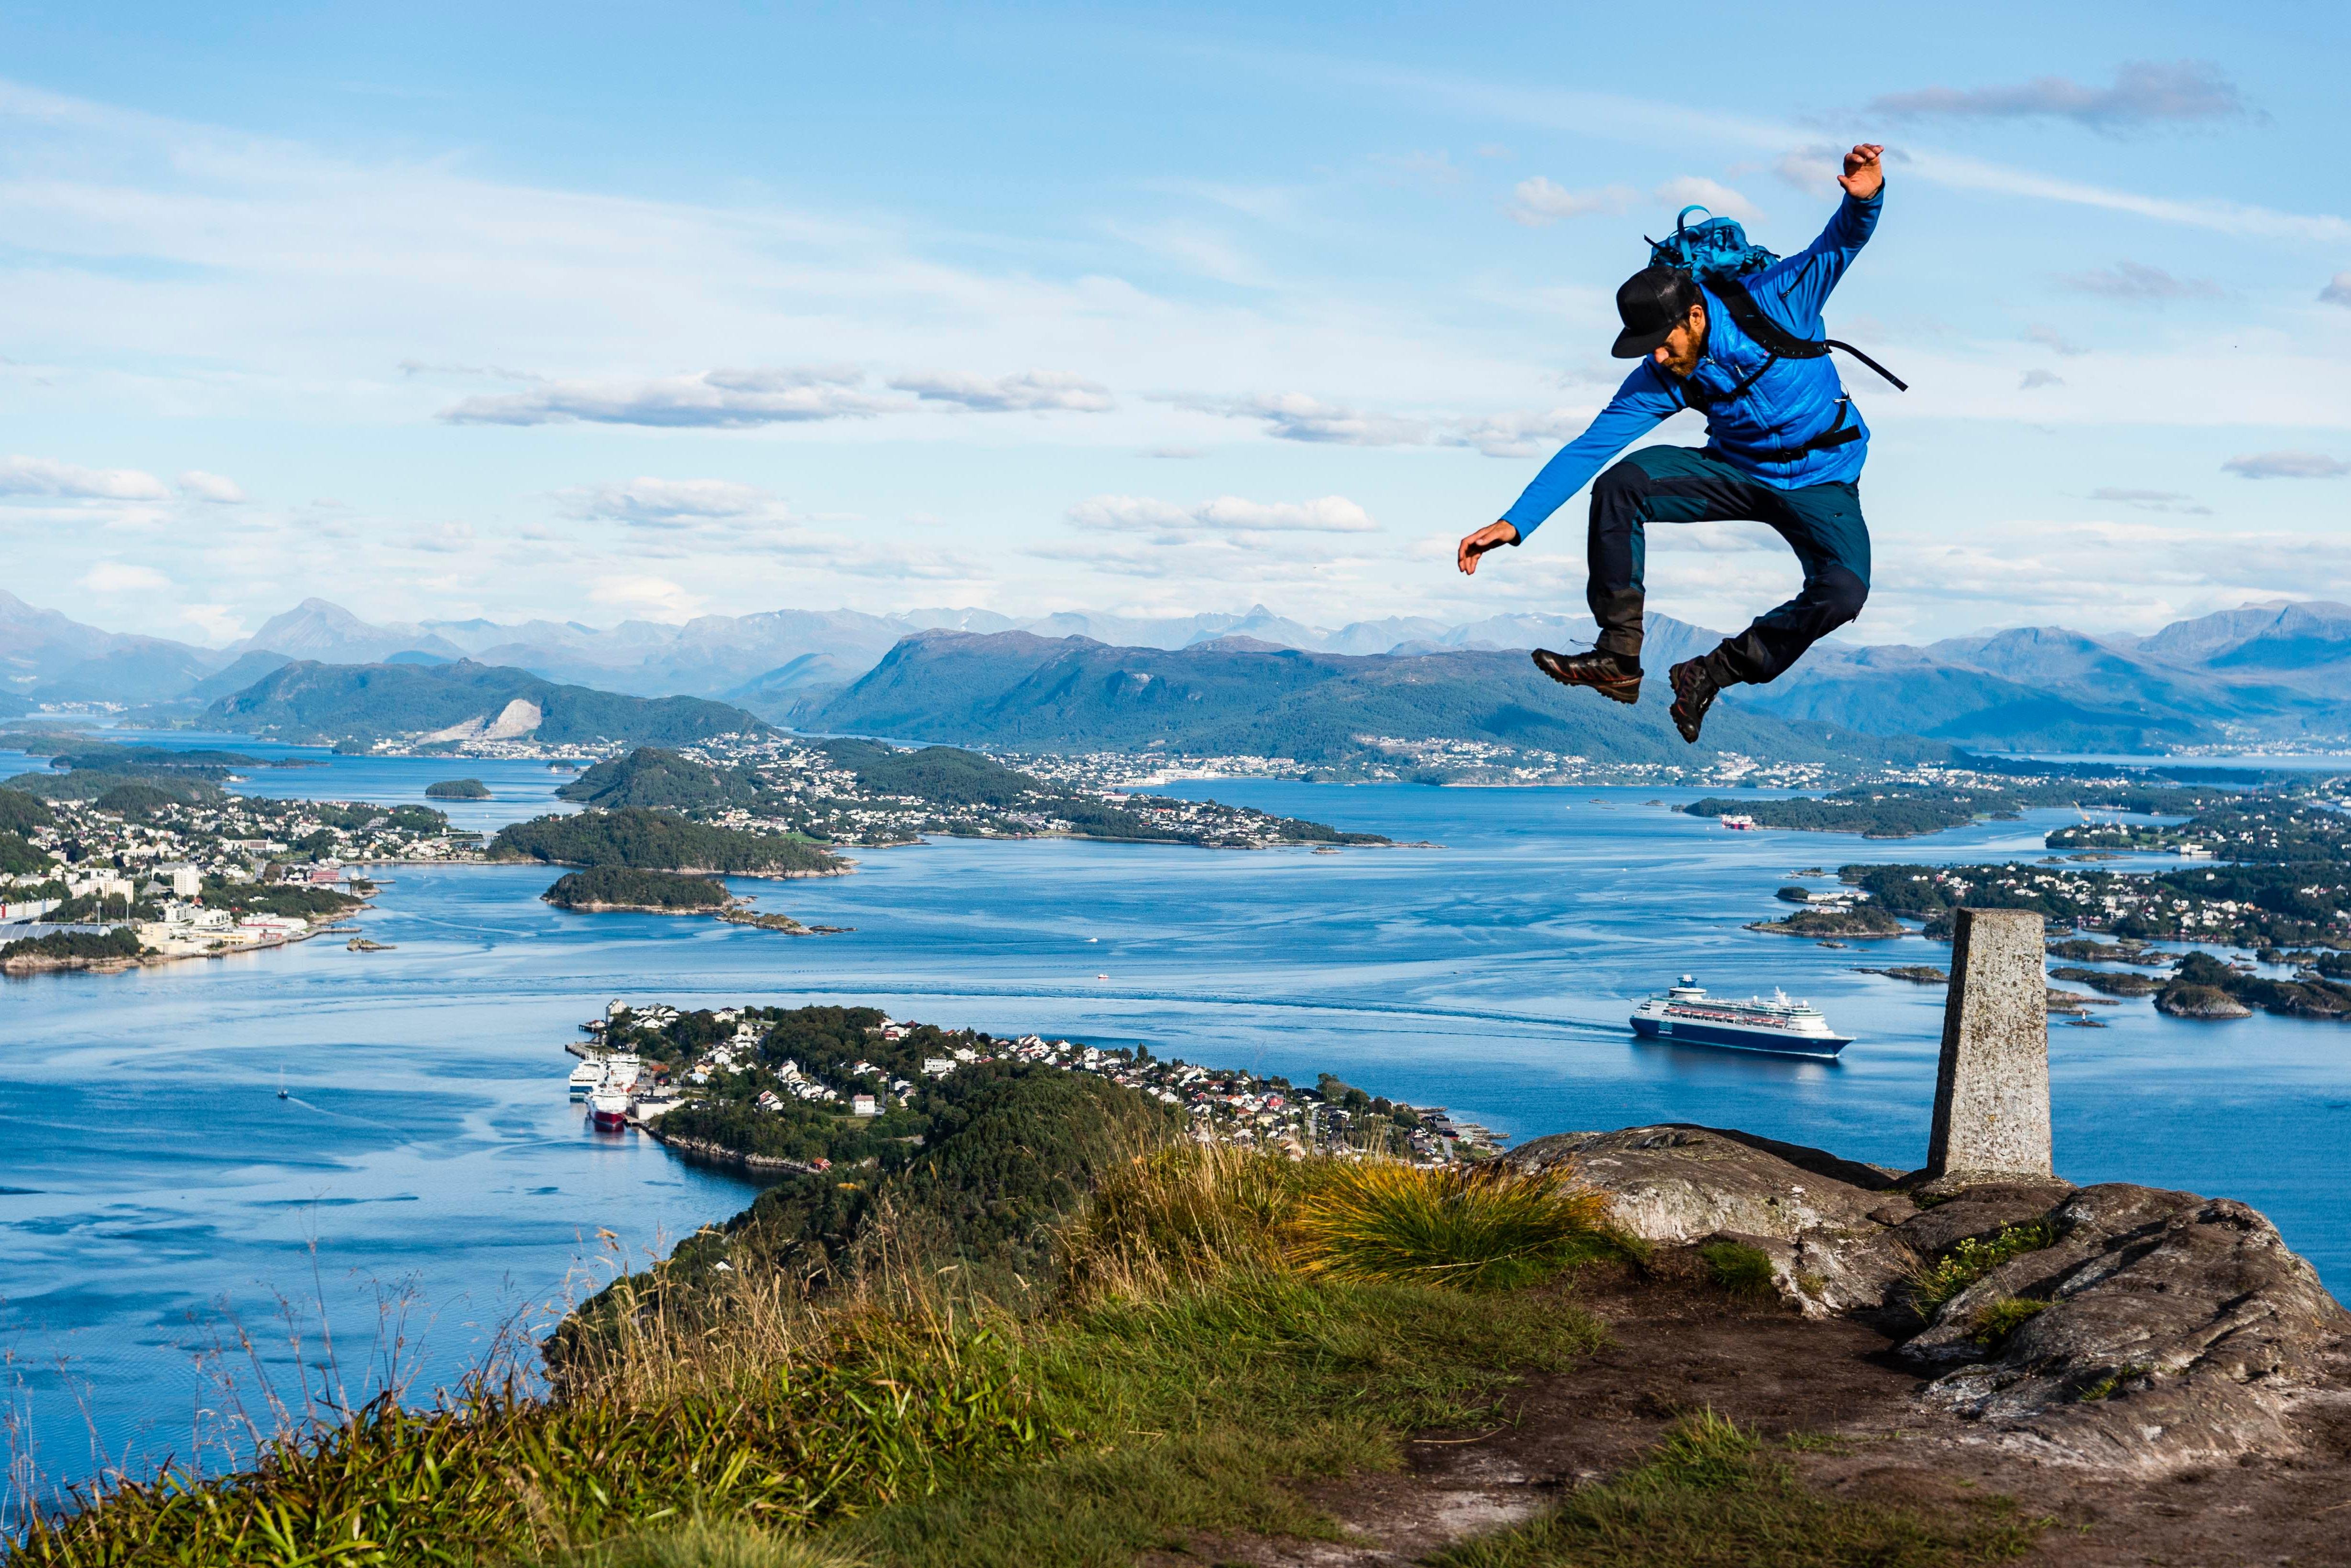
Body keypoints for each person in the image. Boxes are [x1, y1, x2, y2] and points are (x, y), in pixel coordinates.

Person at [1455, 143, 1888, 744]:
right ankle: (1618, 659)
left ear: (1693, 316)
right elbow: (1591, 446)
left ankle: (1709, 673)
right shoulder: (1663, 374)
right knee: (1621, 485)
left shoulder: (1779, 299)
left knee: (1843, 593)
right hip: (1736, 472)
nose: (1657, 358)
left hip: (1823, 480)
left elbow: (1839, 244)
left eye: (1663, 341)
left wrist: (1864, 199)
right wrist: (1515, 521)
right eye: (1646, 348)